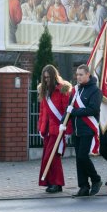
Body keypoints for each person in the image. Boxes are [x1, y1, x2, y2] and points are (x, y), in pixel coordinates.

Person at [67, 63, 103, 197]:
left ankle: (96, 179)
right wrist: (62, 124)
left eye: (81, 74)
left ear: (88, 74)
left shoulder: (95, 91)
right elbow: (68, 109)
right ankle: (83, 186)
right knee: (79, 158)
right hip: (76, 129)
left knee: (83, 156)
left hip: (88, 128)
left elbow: (93, 110)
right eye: (77, 74)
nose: (78, 77)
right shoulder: (75, 90)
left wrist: (74, 112)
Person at [36, 65, 73, 193]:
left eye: (48, 77)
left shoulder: (63, 90)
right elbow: (43, 112)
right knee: (48, 157)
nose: (46, 80)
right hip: (47, 130)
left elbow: (66, 112)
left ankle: (57, 183)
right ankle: (52, 182)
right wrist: (41, 128)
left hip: (58, 130)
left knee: (52, 157)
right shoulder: (44, 91)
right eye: (44, 78)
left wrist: (67, 130)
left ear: (54, 76)